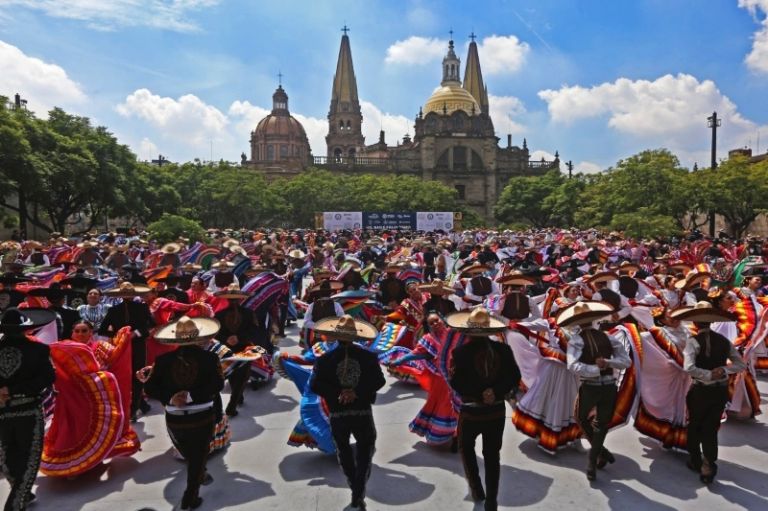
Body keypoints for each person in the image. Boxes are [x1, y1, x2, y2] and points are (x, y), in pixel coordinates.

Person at [144, 316, 224, 510]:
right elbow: (218, 384)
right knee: (197, 456)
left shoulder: (162, 360)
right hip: (202, 413)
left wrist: (172, 398)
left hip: (175, 417)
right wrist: (190, 396)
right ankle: (193, 489)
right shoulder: (210, 358)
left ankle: (190, 494)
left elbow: (150, 388)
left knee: (191, 454)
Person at [447, 308, 520, 511]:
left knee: (466, 448)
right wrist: (494, 393)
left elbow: (456, 382)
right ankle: (491, 500)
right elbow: (514, 377)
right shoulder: (503, 350)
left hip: (471, 412)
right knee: (492, 455)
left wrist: (480, 394)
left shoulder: (460, 353)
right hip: (495, 411)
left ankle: (477, 488)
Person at [310, 315, 385, 511]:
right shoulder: (368, 357)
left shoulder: (325, 360)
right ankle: (358, 489)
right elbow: (379, 381)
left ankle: (355, 486)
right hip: (362, 412)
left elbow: (316, 385)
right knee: (365, 450)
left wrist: (339, 394)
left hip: (338, 413)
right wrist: (355, 392)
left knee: (343, 451)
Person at [676, 302, 747, 484]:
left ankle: (695, 459)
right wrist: (722, 370)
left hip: (700, 390)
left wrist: (708, 374)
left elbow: (689, 367)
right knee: (710, 427)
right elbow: (740, 364)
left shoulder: (693, 342)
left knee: (694, 425)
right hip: (720, 391)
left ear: (696, 323)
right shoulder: (724, 341)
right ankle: (708, 465)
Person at [562, 300, 631, 481]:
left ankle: (594, 459)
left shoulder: (576, 340)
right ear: (594, 319)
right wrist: (605, 365)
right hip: (609, 386)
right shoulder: (609, 337)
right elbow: (626, 362)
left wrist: (601, 366)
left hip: (591, 387)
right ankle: (600, 454)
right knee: (600, 425)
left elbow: (573, 366)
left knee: (582, 418)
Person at [0, 308, 56, 511]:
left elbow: (47, 377)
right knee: (22, 460)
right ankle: (21, 496)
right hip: (16, 410)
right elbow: (48, 377)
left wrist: (10, 390)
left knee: (12, 459)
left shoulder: (38, 350)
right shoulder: (39, 349)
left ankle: (15, 503)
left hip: (24, 408)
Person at [100, 282, 155, 420]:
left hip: (136, 345)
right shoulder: (114, 310)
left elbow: (151, 324)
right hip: (124, 347)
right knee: (130, 375)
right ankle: (136, 406)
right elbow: (102, 329)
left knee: (136, 374)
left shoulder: (141, 308)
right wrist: (120, 335)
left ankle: (135, 407)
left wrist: (133, 333)